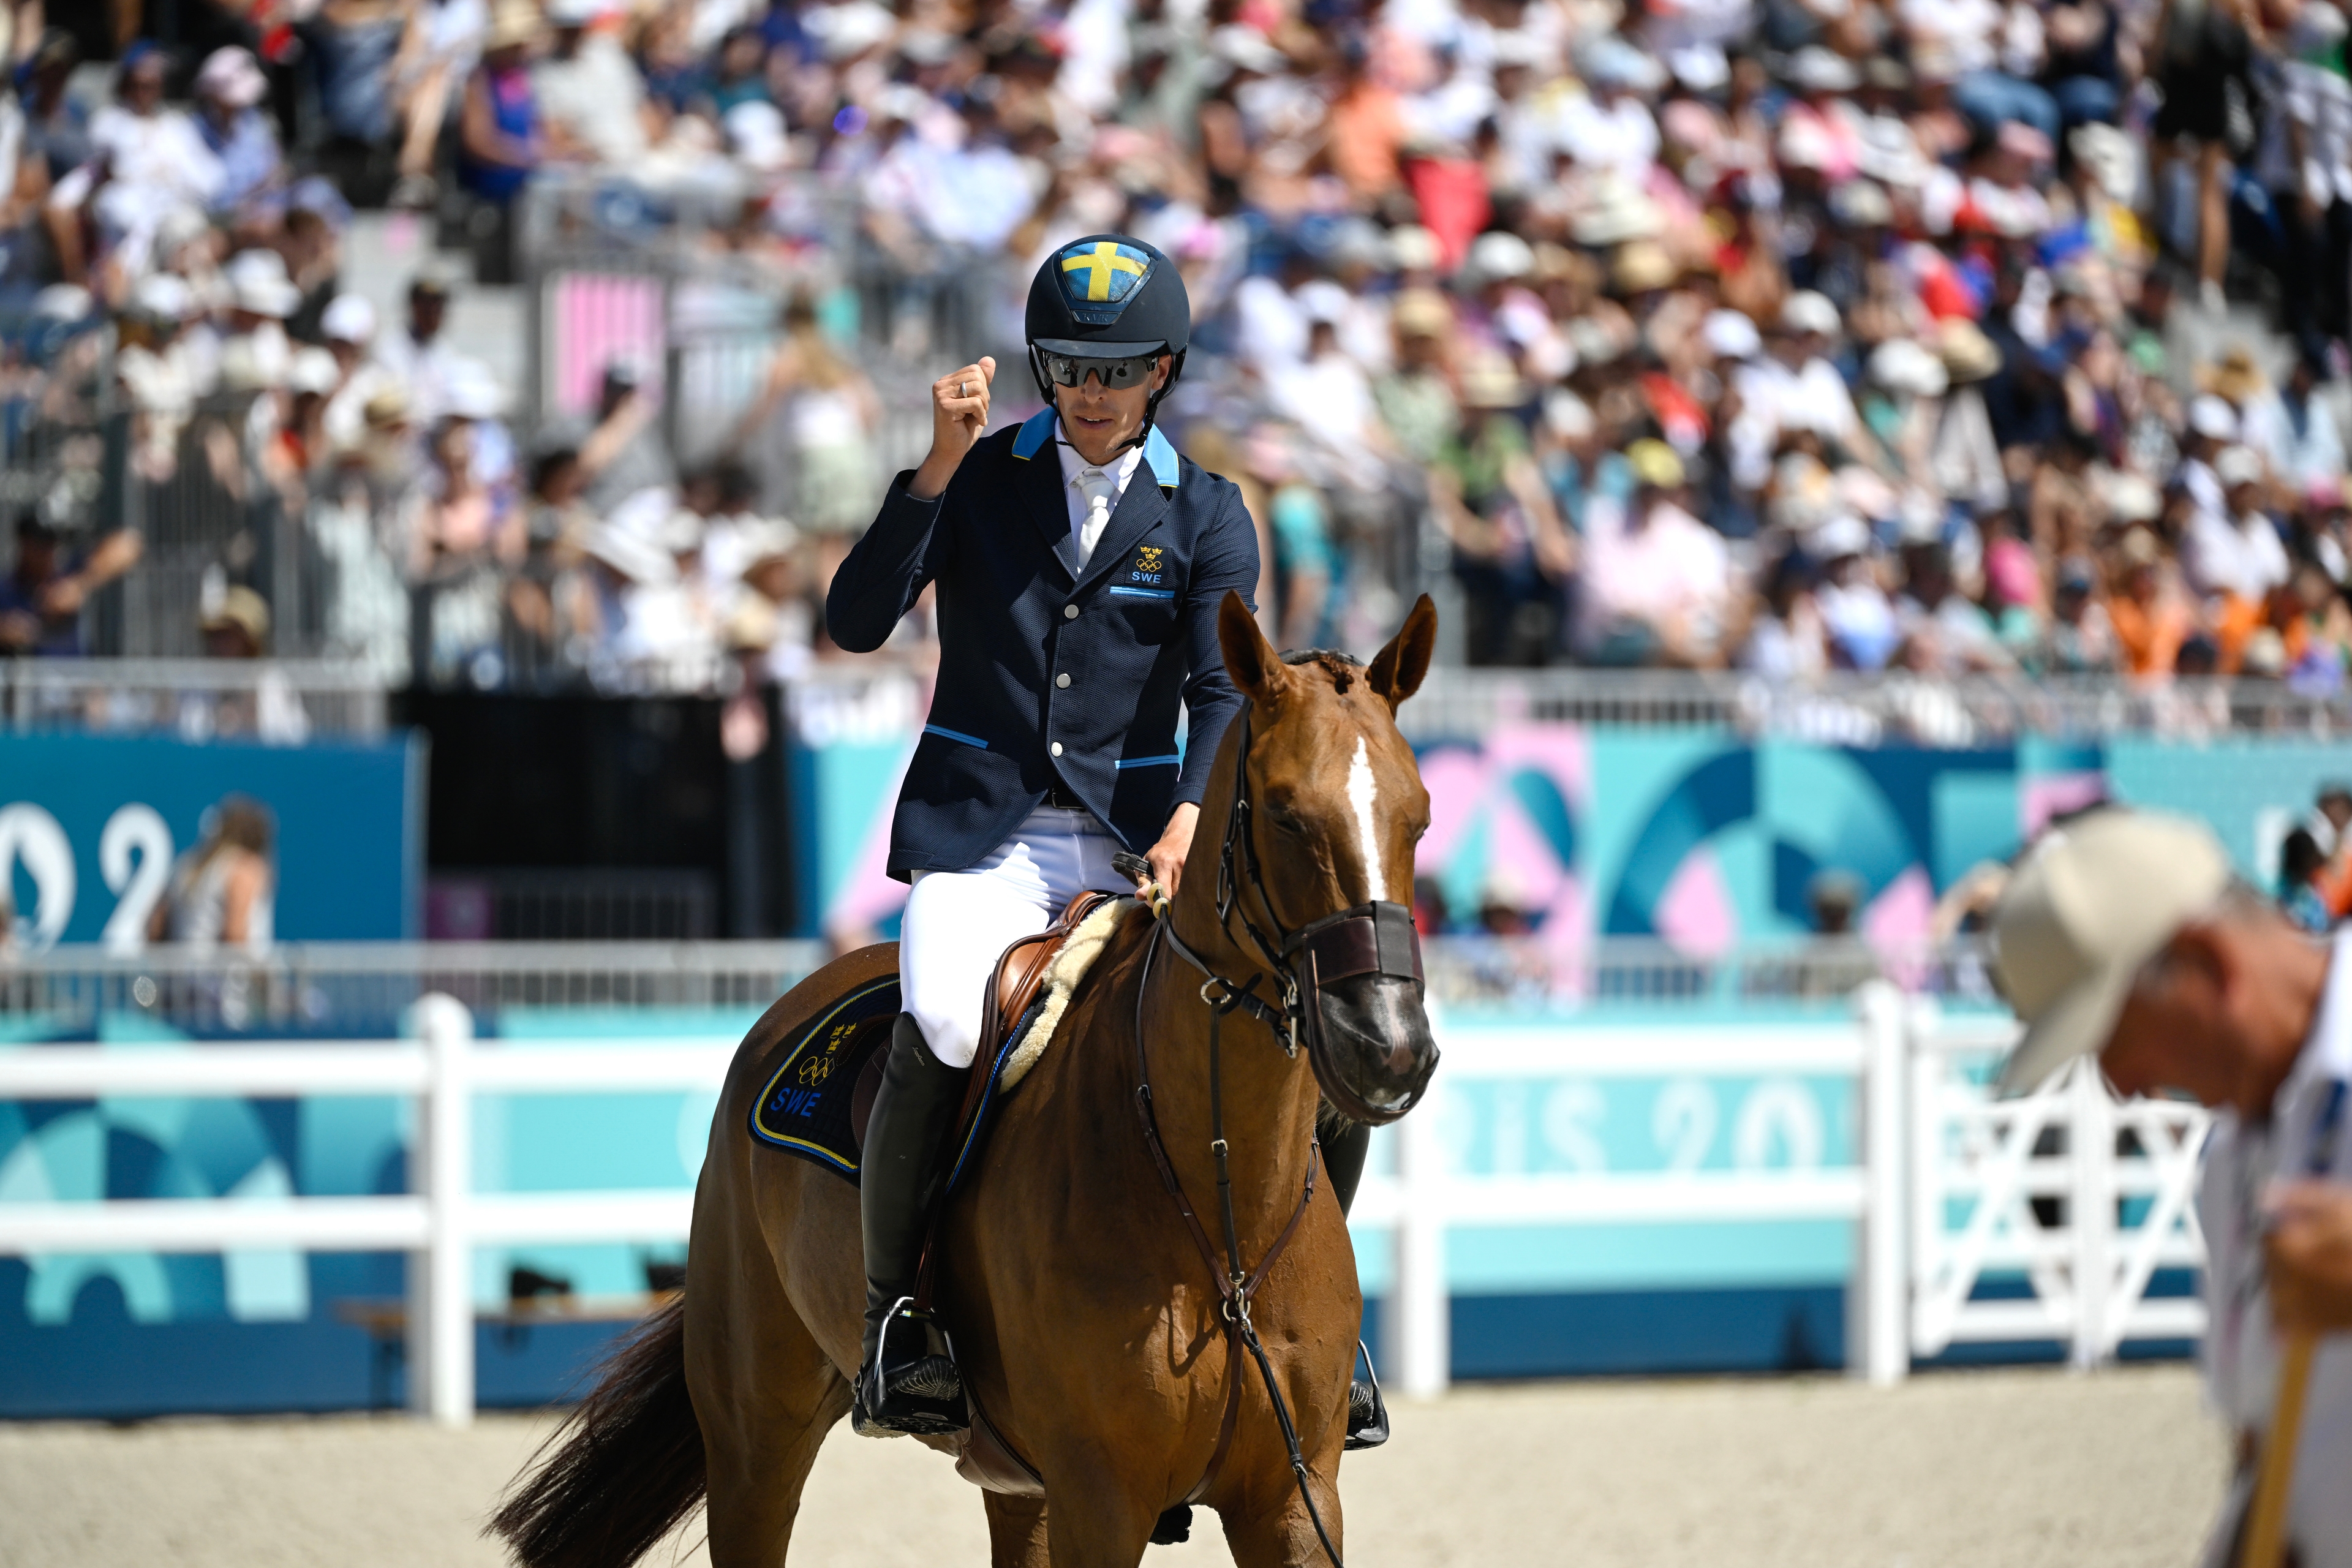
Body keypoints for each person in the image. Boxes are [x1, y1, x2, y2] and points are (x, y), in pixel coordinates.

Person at [826, 233, 1383, 1448]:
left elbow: (1229, 692)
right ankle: (897, 1319)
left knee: (1308, 1024)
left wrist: (1190, 813)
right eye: (1071, 364)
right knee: (946, 1019)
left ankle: (1332, 1329)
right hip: (985, 839)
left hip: (1143, 841)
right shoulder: (980, 479)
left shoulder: (1209, 513)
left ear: (1164, 370)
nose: (1091, 388)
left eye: (1119, 368)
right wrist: (935, 461)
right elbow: (857, 619)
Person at [1985, 809, 2352, 1568]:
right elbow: (2263, 1450)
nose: (2120, 1088)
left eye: (2114, 1036)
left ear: (2208, 963)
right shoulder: (2230, 1168)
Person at [149, 794, 276, 952]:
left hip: (179, 972)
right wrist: (258, 974)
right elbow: (235, 935)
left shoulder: (187, 864)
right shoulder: (244, 866)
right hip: (220, 974)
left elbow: (155, 928)